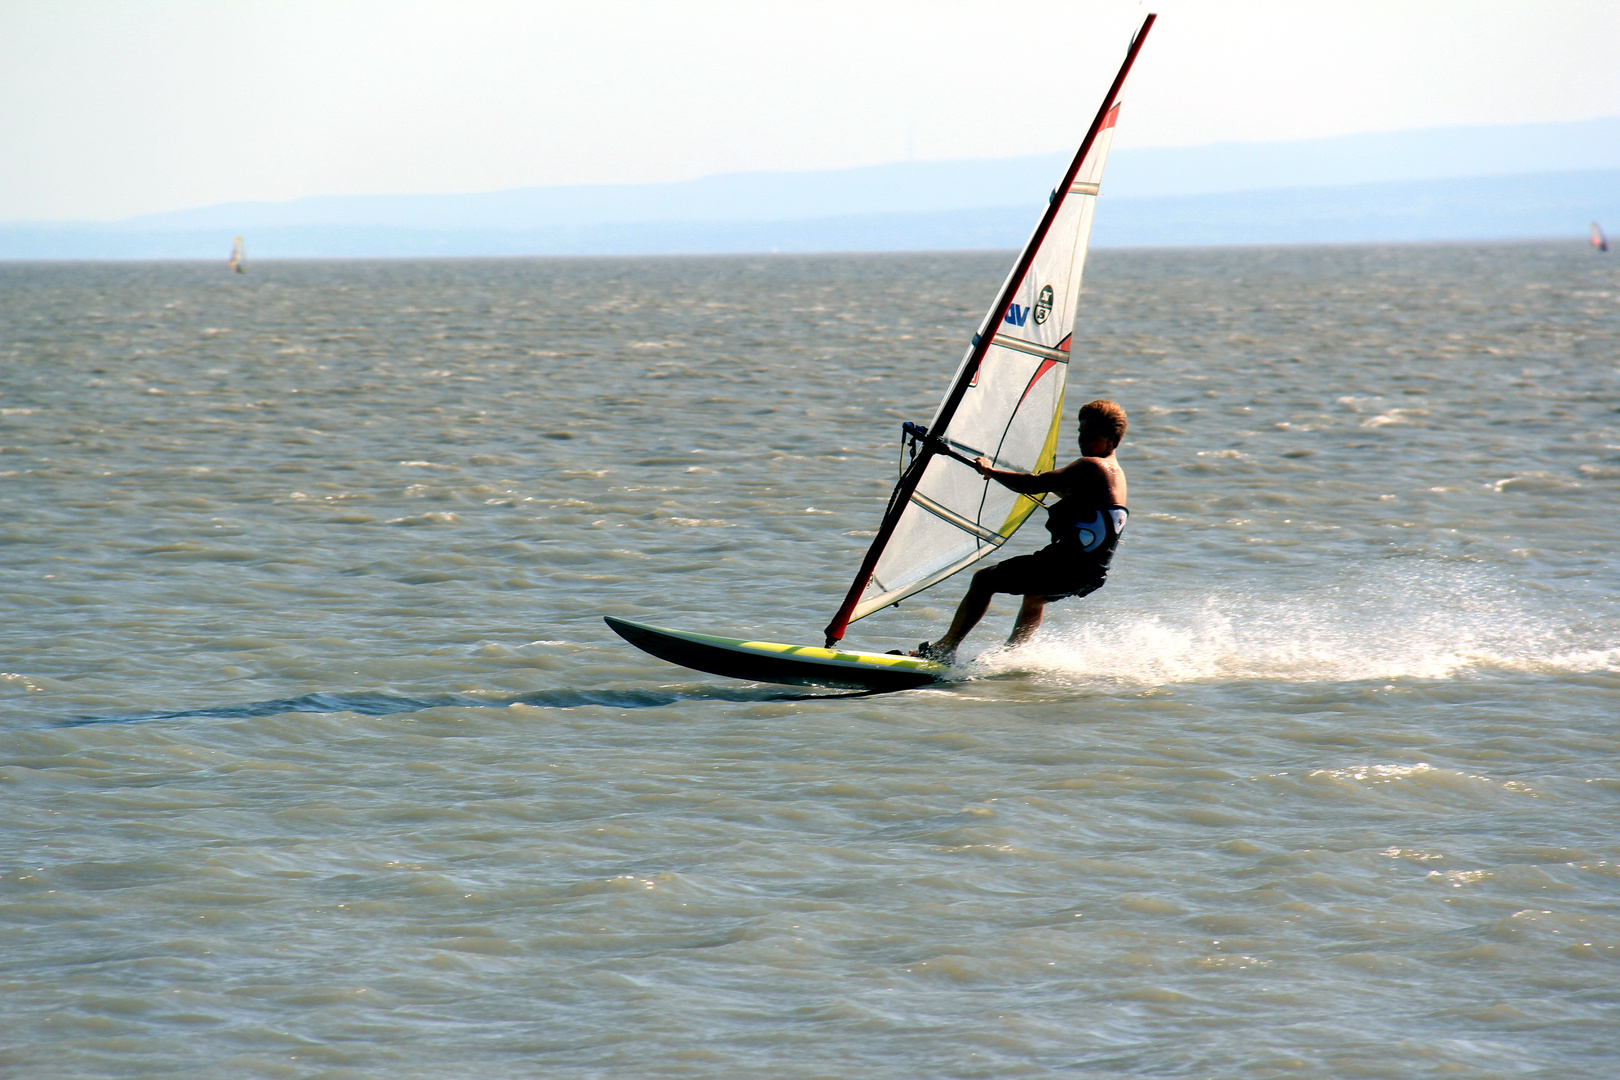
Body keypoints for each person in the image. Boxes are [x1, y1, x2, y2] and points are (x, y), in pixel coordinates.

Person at [915, 399, 1128, 664]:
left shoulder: (1091, 466)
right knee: (1035, 598)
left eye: (1090, 436)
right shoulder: (1115, 475)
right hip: (1091, 573)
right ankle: (1011, 657)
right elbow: (1077, 498)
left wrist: (990, 471)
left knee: (984, 580)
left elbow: (1034, 485)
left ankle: (944, 649)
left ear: (1110, 439)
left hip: (1067, 566)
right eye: (1080, 434)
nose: (1082, 441)